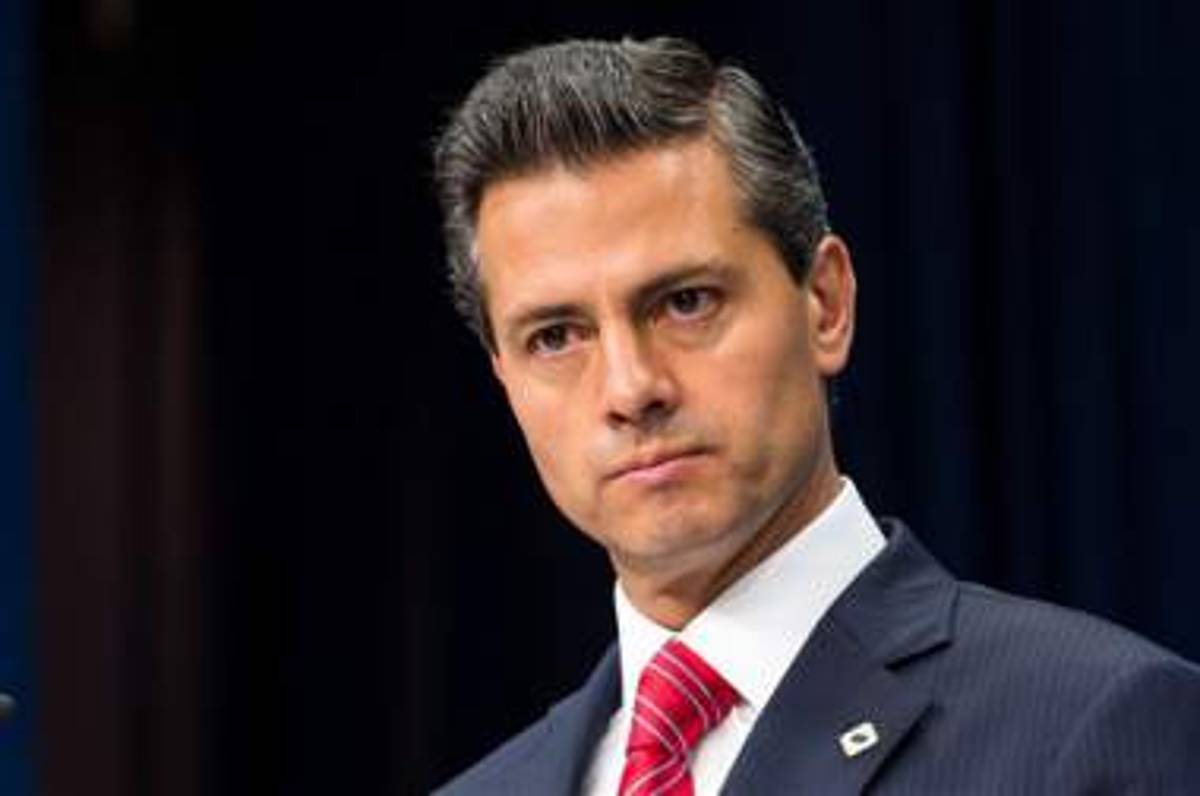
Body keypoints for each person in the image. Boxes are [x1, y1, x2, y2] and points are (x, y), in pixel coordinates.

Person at [431, 36, 1200, 795]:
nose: (631, 389)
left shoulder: (1094, 728)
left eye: (686, 302)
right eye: (556, 337)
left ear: (827, 304)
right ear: (504, 377)